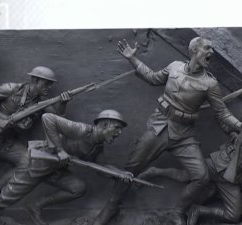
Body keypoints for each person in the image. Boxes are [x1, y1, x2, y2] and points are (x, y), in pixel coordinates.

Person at [92, 37, 242, 225]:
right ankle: (109, 210)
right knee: (131, 169)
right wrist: (132, 58)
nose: (211, 52)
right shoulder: (174, 67)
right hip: (159, 127)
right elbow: (154, 78)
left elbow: (222, 113)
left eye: (212, 49)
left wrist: (239, 126)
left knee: (202, 177)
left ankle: (177, 212)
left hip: (184, 135)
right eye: (207, 48)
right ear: (193, 50)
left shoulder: (210, 84)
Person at [0, 111, 130, 225]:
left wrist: (120, 173)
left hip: (55, 170)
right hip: (36, 166)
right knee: (3, 200)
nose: (119, 133)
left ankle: (36, 205)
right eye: (117, 128)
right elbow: (48, 118)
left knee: (78, 187)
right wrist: (60, 150)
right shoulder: (82, 130)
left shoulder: (97, 146)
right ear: (104, 124)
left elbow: (101, 166)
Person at [0, 66, 71, 200]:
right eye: (46, 83)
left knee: (28, 161)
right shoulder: (13, 88)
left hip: (6, 142)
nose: (49, 87)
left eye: (51, 84)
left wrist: (63, 104)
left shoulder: (42, 102)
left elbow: (59, 122)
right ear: (35, 80)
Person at [138, 132, 242, 225]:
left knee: (234, 215)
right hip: (217, 164)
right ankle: (155, 171)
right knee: (184, 176)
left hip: (230, 180)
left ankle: (198, 210)